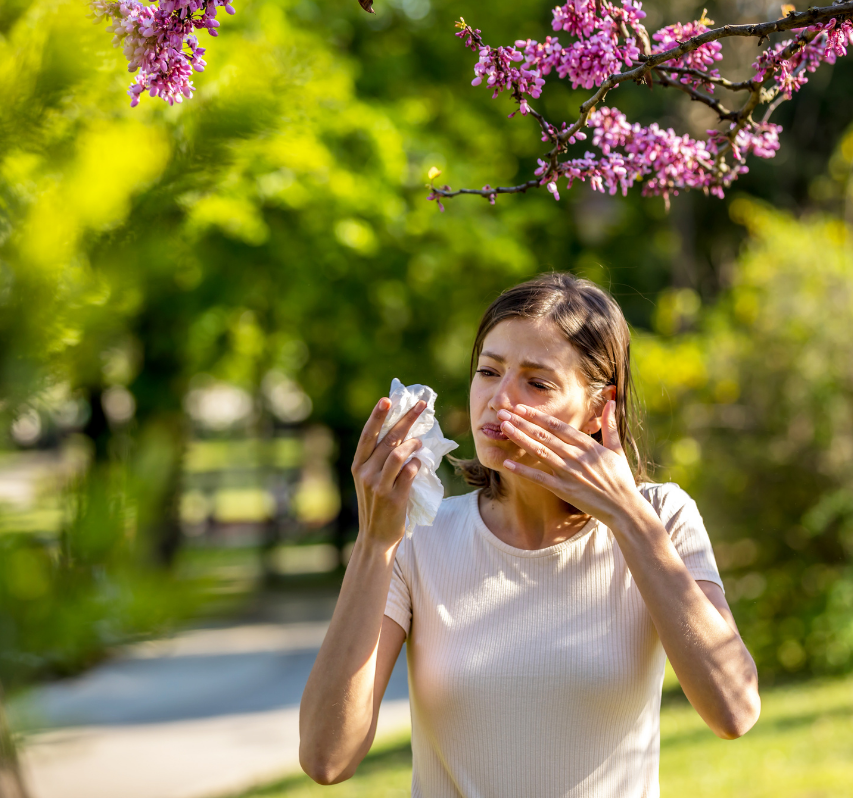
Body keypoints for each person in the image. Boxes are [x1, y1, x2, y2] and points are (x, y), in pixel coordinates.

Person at [299, 273, 760, 797]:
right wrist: (373, 543)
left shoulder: (661, 518)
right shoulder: (419, 539)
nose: (498, 399)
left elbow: (734, 710)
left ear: (599, 408)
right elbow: (326, 758)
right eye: (488, 371)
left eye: (537, 383)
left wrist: (628, 518)